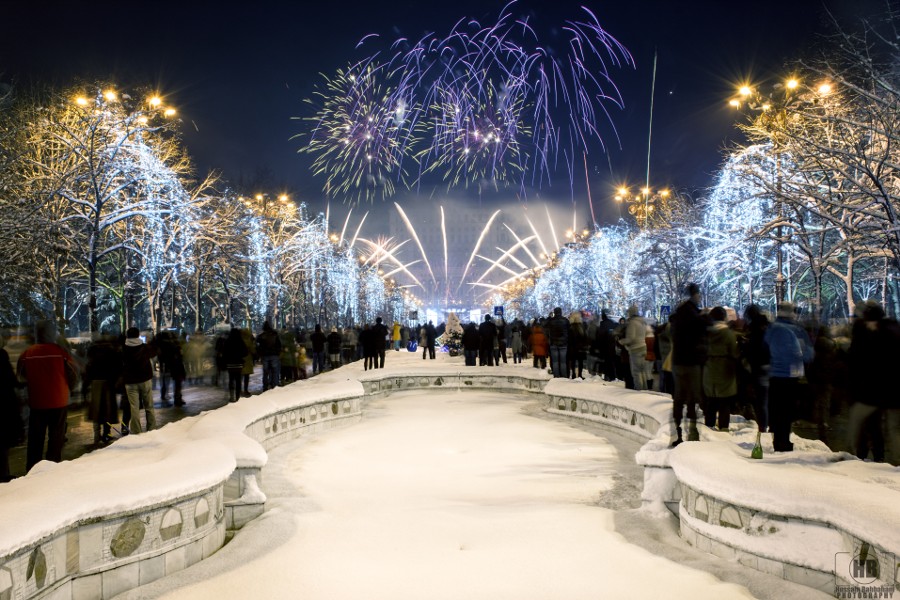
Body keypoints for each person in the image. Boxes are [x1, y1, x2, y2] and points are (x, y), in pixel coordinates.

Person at [17, 320, 78, 471]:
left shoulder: (27, 354)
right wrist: (71, 389)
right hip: (59, 400)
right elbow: (73, 375)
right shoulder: (61, 352)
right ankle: (52, 465)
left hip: (37, 401)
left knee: (36, 437)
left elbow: (20, 377)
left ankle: (33, 467)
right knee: (56, 436)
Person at [847, 300, 900, 464]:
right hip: (889, 390)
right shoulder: (893, 329)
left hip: (879, 390)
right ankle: (892, 460)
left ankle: (852, 455)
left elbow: (869, 363)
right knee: (893, 428)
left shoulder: (879, 335)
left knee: (858, 419)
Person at [765, 301, 814, 452]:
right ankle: (784, 443)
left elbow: (764, 348)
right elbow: (807, 355)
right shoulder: (797, 331)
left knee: (776, 408)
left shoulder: (771, 329)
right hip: (791, 376)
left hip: (773, 374)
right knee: (786, 411)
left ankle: (777, 440)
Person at [670, 283, 707, 446]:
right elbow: (702, 331)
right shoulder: (695, 315)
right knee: (692, 396)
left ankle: (676, 431)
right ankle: (692, 431)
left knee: (678, 396)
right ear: (695, 295)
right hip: (692, 361)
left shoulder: (679, 314)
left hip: (678, 360)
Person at [702, 307, 739, 431]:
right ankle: (723, 428)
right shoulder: (728, 334)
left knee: (711, 402)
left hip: (709, 370)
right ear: (724, 317)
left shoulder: (706, 333)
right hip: (725, 370)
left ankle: (709, 428)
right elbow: (734, 353)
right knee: (724, 403)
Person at [83, 334, 122, 446]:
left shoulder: (92, 351)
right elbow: (118, 368)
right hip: (109, 383)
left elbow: (88, 368)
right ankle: (107, 433)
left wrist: (85, 387)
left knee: (96, 410)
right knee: (108, 410)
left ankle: (97, 434)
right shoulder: (113, 352)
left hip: (96, 383)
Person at [120, 327, 159, 435]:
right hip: (145, 379)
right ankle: (152, 428)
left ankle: (136, 431)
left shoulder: (124, 349)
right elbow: (154, 351)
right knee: (149, 406)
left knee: (134, 407)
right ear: (138, 335)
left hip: (130, 382)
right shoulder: (145, 348)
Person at [741, 305, 770, 433]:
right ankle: (769, 425)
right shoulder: (768, 326)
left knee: (760, 400)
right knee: (767, 398)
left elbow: (753, 349)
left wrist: (745, 345)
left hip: (758, 366)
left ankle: (763, 427)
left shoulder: (754, 329)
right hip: (771, 365)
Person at [0, 332, 22, 481]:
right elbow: (11, 379)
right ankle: (3, 474)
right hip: (3, 403)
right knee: (2, 442)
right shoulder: (1, 355)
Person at [618, 306, 648, 389]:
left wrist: (621, 341)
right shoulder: (642, 322)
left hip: (635, 349)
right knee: (642, 371)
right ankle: (645, 390)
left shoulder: (632, 323)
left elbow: (631, 338)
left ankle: (638, 391)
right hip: (643, 347)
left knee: (636, 372)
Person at [157, 330, 186, 407]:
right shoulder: (173, 344)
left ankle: (164, 395)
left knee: (165, 381)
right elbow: (178, 355)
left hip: (166, 366)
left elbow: (161, 357)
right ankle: (177, 398)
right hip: (175, 366)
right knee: (177, 383)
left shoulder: (161, 345)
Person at [256, 321, 282, 391]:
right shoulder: (275, 334)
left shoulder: (261, 336)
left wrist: (260, 354)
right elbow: (279, 345)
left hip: (265, 355)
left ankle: (265, 387)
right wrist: (278, 352)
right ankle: (275, 386)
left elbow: (258, 346)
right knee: (275, 371)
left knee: (265, 372)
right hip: (274, 355)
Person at [224, 327, 248, 402]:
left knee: (231, 379)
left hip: (230, 364)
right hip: (238, 364)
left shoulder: (227, 341)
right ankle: (238, 397)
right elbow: (245, 352)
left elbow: (224, 352)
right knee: (238, 381)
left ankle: (231, 396)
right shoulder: (240, 341)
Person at [546, 307, 569, 377]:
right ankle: (564, 375)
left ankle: (556, 375)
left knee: (555, 361)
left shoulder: (551, 321)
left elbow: (545, 327)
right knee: (563, 362)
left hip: (553, 343)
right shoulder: (565, 320)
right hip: (563, 343)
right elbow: (568, 330)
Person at [596, 312, 618, 381]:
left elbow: (600, 336)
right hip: (612, 345)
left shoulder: (603, 324)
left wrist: (599, 346)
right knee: (611, 362)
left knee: (606, 362)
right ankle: (612, 376)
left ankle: (607, 376)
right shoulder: (612, 323)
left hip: (605, 346)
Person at [567, 311, 587, 379]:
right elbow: (585, 338)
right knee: (580, 362)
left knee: (573, 361)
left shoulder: (571, 328)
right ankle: (580, 375)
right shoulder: (582, 327)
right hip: (580, 348)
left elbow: (569, 339)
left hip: (573, 347)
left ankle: (573, 374)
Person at [240, 328, 256, 396]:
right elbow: (253, 350)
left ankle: (239, 390)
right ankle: (246, 390)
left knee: (240, 377)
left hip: (240, 360)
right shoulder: (249, 341)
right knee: (246, 376)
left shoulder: (239, 341)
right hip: (247, 360)